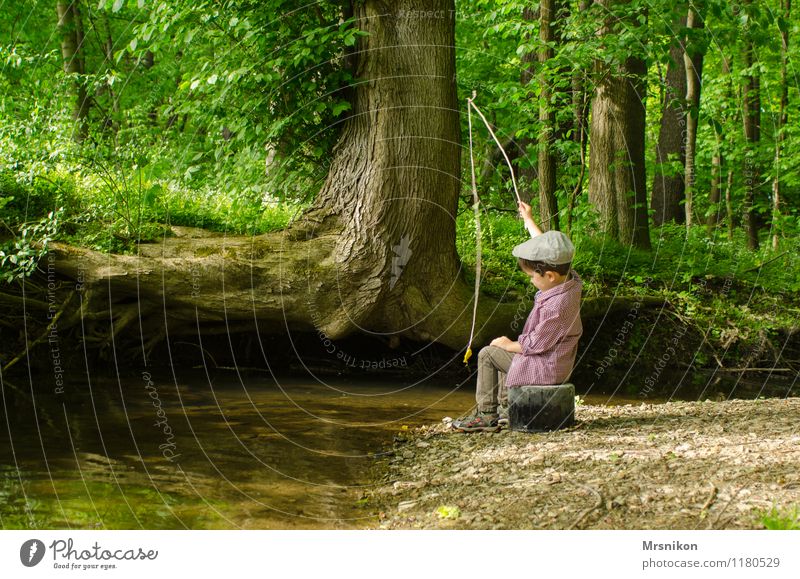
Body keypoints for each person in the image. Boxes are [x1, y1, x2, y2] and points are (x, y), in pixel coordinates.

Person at [452, 202, 583, 432]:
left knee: (488, 354)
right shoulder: (570, 279)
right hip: (554, 362)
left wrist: (509, 344)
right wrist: (528, 220)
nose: (531, 280)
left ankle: (487, 414)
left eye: (533, 276)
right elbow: (549, 251)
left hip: (547, 367)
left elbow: (536, 343)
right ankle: (506, 409)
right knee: (506, 353)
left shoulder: (558, 306)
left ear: (550, 275)